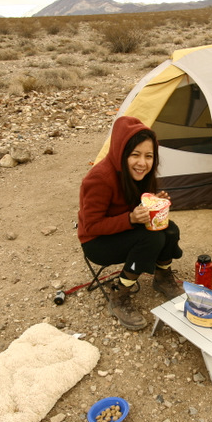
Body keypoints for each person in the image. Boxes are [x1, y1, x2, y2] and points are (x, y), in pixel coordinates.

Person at [78, 116, 183, 331]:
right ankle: (119, 296)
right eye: (135, 154)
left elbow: (133, 203)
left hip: (123, 229)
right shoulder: (99, 179)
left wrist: (153, 202)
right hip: (97, 242)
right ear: (121, 152)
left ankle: (162, 278)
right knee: (152, 238)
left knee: (169, 229)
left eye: (148, 156)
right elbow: (91, 226)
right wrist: (130, 219)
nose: (142, 163)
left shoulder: (139, 174)